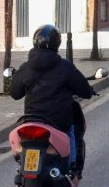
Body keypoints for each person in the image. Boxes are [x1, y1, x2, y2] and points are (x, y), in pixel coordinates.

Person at [10, 24, 93, 175]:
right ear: (57, 43)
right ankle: (72, 167)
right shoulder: (65, 67)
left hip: (31, 120)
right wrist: (89, 90)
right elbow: (85, 91)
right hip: (58, 122)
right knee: (71, 131)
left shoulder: (26, 67)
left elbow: (15, 93)